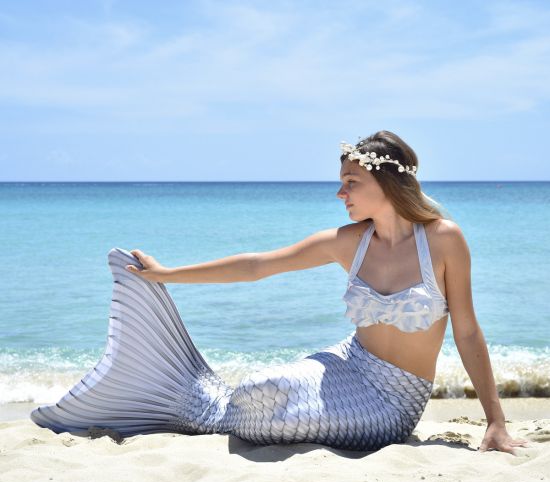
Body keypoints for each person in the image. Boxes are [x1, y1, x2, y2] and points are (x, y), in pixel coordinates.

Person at [30, 130, 528, 454]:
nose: (341, 194)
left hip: (393, 403)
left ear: (385, 182)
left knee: (258, 408)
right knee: (253, 389)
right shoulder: (348, 242)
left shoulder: (443, 239)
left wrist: (496, 422)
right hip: (347, 363)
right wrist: (166, 275)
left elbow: (466, 331)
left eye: (350, 182)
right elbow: (256, 266)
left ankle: (161, 401)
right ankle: (162, 390)